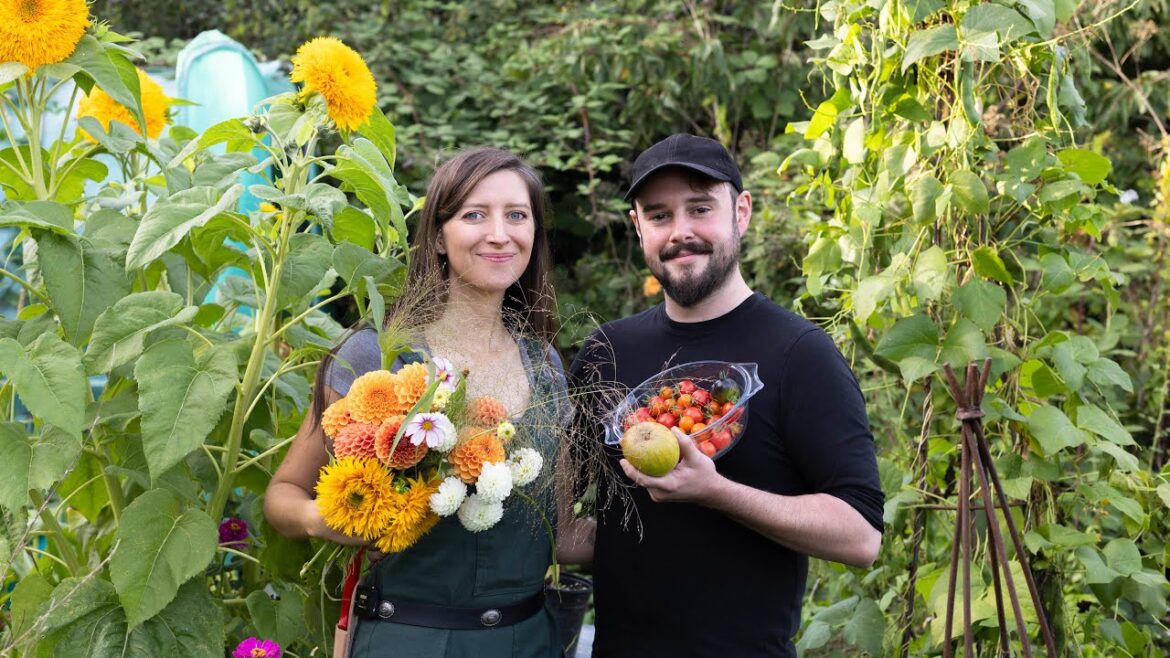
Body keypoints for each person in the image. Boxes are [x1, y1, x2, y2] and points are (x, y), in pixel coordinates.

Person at [567, 134, 885, 657]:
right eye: (659, 215)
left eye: (699, 208)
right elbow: (562, 525)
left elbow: (859, 536)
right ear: (638, 227)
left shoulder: (798, 353)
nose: (681, 232)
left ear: (741, 212)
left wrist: (717, 492)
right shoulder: (607, 353)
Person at [265, 147, 572, 657]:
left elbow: (558, 532)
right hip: (408, 640)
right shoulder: (377, 353)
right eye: (475, 215)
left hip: (528, 641)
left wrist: (680, 504)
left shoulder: (546, 365)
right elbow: (283, 494)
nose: (500, 233)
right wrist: (328, 521)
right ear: (436, 236)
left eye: (517, 215)